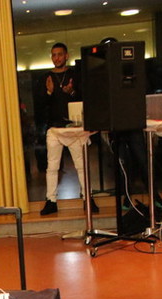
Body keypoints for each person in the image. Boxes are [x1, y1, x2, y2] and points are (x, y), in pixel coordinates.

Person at [40, 42, 96, 216]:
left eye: (59, 54)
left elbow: (85, 97)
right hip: (54, 128)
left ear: (66, 56)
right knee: (52, 166)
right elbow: (41, 104)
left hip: (74, 127)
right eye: (53, 55)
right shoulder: (46, 77)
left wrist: (71, 92)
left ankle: (88, 198)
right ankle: (51, 201)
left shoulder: (75, 75)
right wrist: (49, 92)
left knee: (81, 165)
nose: (56, 58)